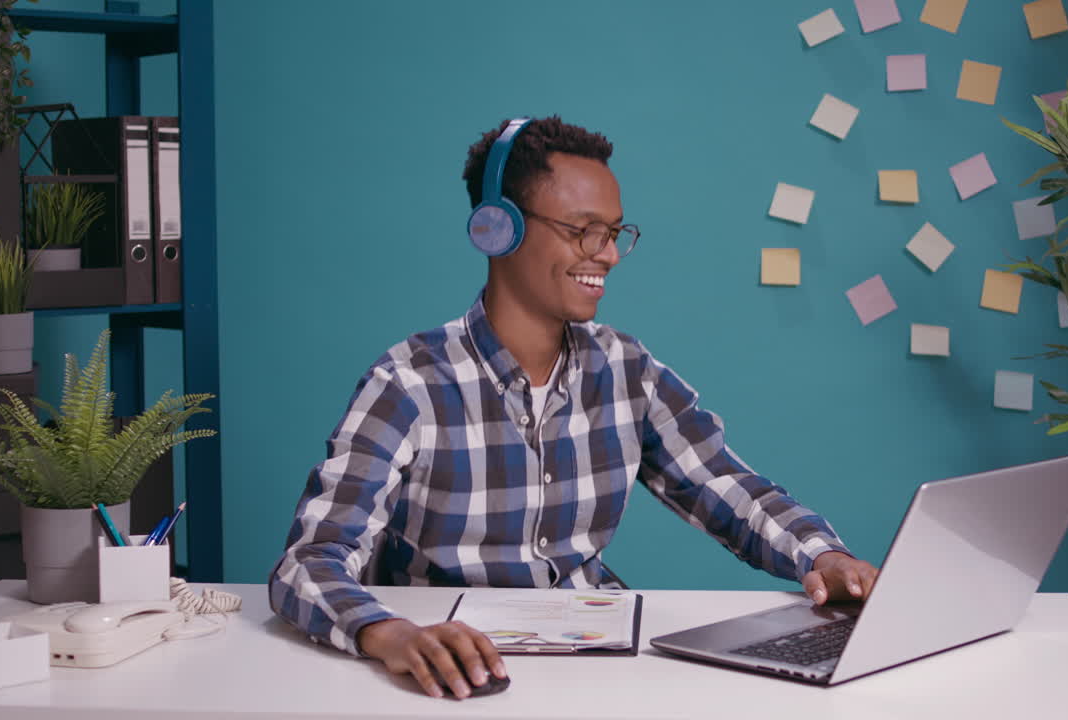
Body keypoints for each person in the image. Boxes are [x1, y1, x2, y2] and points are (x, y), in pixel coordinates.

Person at [268, 115, 878, 699]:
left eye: (613, 233)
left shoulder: (626, 370)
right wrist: (390, 633)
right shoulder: (409, 383)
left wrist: (824, 556)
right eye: (582, 230)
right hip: (451, 679)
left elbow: (727, 486)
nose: (607, 254)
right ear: (497, 228)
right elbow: (308, 561)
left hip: (597, 675)